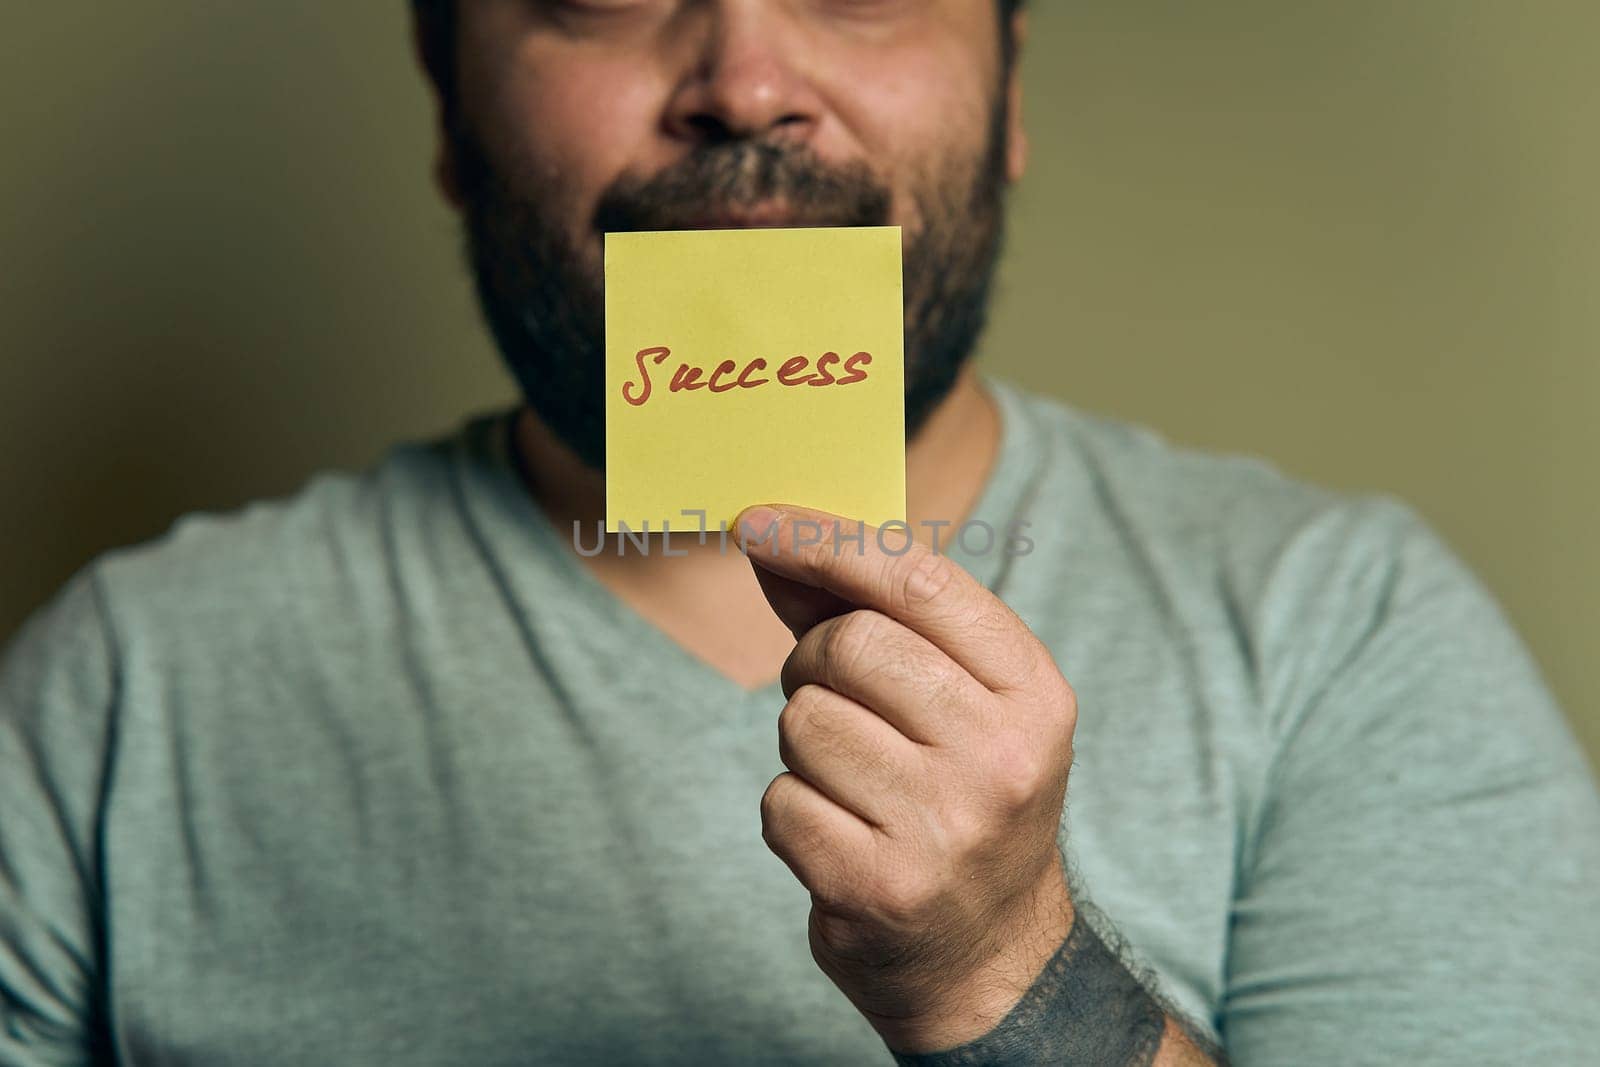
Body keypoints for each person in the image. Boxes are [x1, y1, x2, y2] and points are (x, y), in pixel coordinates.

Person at [2, 1, 1597, 1063]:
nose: (748, 83)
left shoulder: (1341, 625)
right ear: (446, 107)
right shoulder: (121, 694)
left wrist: (1012, 981)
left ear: (1013, 89)